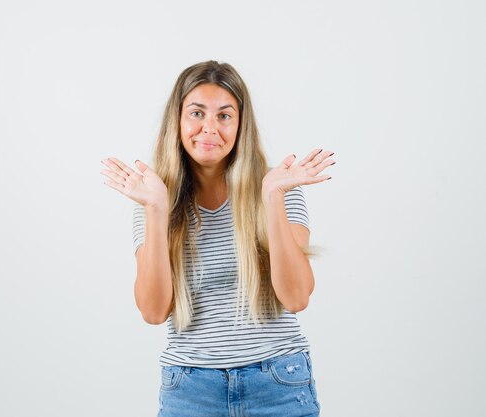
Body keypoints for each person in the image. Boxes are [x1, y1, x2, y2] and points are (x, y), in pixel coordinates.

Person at [100, 60, 334, 417]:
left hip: (278, 384)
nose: (209, 127)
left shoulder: (279, 188)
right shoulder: (154, 199)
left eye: (224, 116)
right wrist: (157, 210)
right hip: (191, 390)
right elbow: (152, 310)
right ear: (177, 121)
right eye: (197, 113)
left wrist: (272, 198)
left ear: (241, 126)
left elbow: (297, 297)